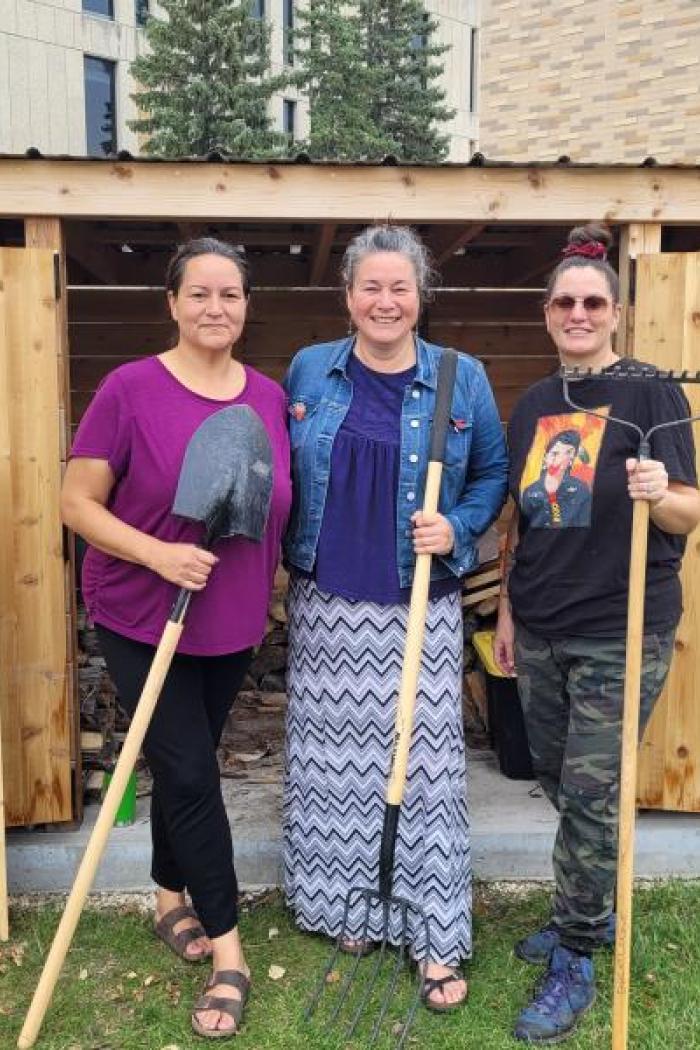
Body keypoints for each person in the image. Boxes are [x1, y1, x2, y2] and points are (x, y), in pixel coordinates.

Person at [61, 238, 291, 1040]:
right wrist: (158, 552)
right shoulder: (129, 390)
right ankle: (231, 954)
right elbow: (77, 502)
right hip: (137, 611)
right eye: (199, 294)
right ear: (172, 302)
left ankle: (168, 897)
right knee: (193, 773)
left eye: (230, 295)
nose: (215, 308)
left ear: (246, 306)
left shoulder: (266, 396)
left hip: (227, 620)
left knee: (181, 760)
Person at [282, 224, 508, 1011]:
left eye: (400, 287)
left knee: (425, 767)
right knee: (333, 767)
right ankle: (358, 904)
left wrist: (460, 530)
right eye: (370, 287)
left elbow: (491, 471)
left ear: (420, 297)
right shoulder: (313, 368)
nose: (385, 301)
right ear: (348, 296)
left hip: (418, 602)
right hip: (327, 601)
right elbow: (284, 471)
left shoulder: (460, 377)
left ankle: (435, 933)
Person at [494, 223, 700, 1043]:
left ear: (614, 312)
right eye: (564, 302)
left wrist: (661, 487)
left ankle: (577, 948)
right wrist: (508, 613)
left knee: (590, 795)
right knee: (550, 773)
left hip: (621, 628)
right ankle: (586, 908)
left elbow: (690, 508)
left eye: (593, 301)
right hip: (540, 624)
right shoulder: (538, 404)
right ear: (548, 314)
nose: (578, 312)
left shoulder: (651, 394)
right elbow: (525, 524)